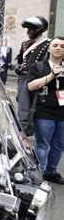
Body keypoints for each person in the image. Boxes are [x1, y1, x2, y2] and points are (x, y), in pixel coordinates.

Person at [27, 36, 64, 184]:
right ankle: (39, 174)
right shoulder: (38, 67)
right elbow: (30, 86)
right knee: (42, 144)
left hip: (62, 114)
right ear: (49, 48)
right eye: (55, 45)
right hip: (43, 112)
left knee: (59, 145)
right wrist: (52, 75)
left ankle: (51, 172)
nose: (58, 48)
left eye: (62, 46)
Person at [15, 16, 51, 135]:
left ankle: (32, 128)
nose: (28, 31)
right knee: (23, 104)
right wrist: (17, 66)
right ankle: (24, 129)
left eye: (31, 29)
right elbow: (20, 59)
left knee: (38, 104)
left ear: (39, 29)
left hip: (39, 78)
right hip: (24, 78)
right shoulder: (25, 44)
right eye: (28, 29)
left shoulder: (49, 44)